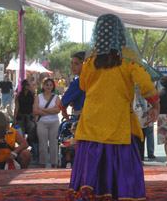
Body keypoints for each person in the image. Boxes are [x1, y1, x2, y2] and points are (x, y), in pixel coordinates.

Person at [66, 14, 160, 201]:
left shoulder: (90, 62)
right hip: (117, 122)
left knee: (91, 168)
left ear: (98, 34)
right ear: (120, 33)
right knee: (123, 168)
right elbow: (146, 84)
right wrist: (155, 105)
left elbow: (84, 85)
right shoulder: (128, 59)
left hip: (91, 123)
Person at [33, 77, 61, 168]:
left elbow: (58, 110)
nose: (49, 87)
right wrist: (50, 111)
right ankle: (42, 165)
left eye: (50, 85)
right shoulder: (38, 97)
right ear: (43, 86)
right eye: (47, 85)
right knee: (43, 145)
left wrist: (44, 110)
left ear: (53, 86)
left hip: (54, 123)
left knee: (54, 144)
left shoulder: (56, 97)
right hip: (42, 123)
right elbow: (35, 111)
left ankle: (54, 165)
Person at [59, 51, 86, 122]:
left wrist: (64, 111)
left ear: (85, 65)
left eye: (76, 64)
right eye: (72, 63)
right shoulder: (95, 80)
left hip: (82, 121)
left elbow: (62, 103)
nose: (72, 67)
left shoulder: (78, 83)